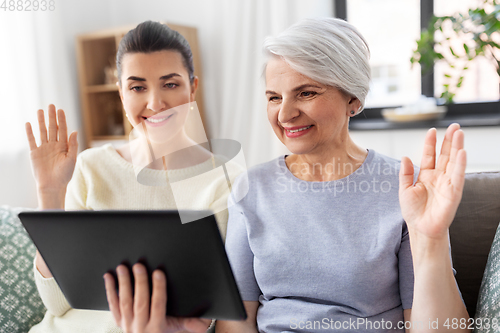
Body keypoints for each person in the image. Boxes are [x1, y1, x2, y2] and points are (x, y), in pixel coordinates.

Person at [105, 18, 470, 333]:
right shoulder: (251, 189)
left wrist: (431, 240)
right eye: (274, 97)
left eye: (306, 93)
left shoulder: (405, 190)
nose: (285, 114)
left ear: (353, 99)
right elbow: (239, 323)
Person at [25, 20, 236, 333]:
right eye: (137, 87)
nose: (155, 103)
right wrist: (50, 192)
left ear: (192, 87)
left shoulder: (225, 181)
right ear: (121, 95)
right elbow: (57, 304)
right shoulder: (90, 167)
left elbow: (210, 316)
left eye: (170, 84)